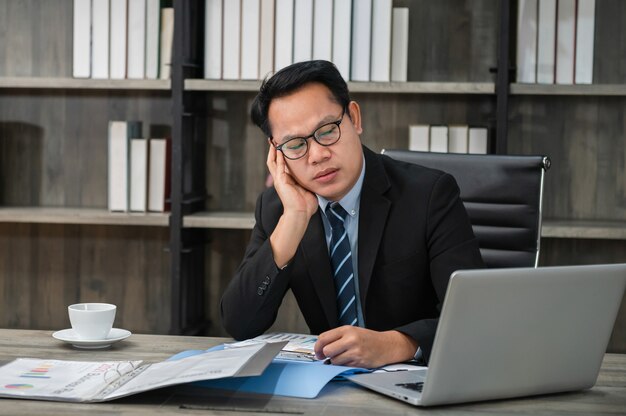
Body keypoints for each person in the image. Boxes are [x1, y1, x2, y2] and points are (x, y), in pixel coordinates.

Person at [220, 60, 484, 368]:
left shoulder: (428, 195)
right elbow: (240, 323)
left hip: (416, 381)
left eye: (327, 131)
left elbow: (475, 318)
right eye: (295, 145)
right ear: (276, 152)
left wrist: (399, 344)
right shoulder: (278, 209)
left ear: (354, 118)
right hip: (330, 389)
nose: (317, 155)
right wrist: (294, 219)